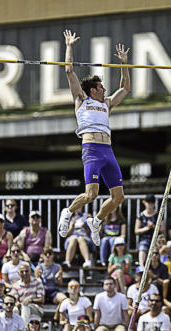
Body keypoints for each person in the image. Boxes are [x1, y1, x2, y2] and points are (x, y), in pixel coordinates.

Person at [58, 29, 131, 248]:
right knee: (91, 194)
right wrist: (69, 46)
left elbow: (125, 88)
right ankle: (68, 211)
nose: (104, 89)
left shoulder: (106, 103)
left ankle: (96, 220)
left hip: (108, 151)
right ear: (92, 89)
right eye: (101, 86)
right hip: (91, 149)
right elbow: (69, 71)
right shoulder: (81, 99)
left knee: (118, 197)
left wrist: (124, 64)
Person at [135, 195, 159, 266]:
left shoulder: (158, 215)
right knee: (143, 246)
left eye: (152, 202)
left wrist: (154, 226)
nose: (150, 204)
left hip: (155, 239)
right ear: (144, 202)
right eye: (148, 202)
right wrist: (147, 228)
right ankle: (141, 266)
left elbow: (162, 229)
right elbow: (136, 231)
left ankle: (156, 266)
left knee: (157, 249)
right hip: (144, 238)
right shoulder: (141, 215)